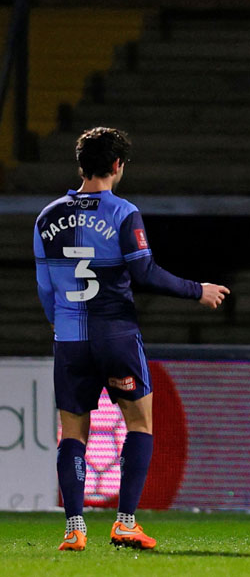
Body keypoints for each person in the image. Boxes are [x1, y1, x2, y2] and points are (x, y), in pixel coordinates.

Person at [34, 128, 230, 551]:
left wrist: (60, 326)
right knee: (139, 423)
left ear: (80, 164)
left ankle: (74, 528)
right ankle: (124, 523)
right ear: (118, 165)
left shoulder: (47, 217)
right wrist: (198, 290)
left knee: (72, 434)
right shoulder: (123, 213)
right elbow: (144, 273)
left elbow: (46, 289)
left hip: (69, 338)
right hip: (116, 335)